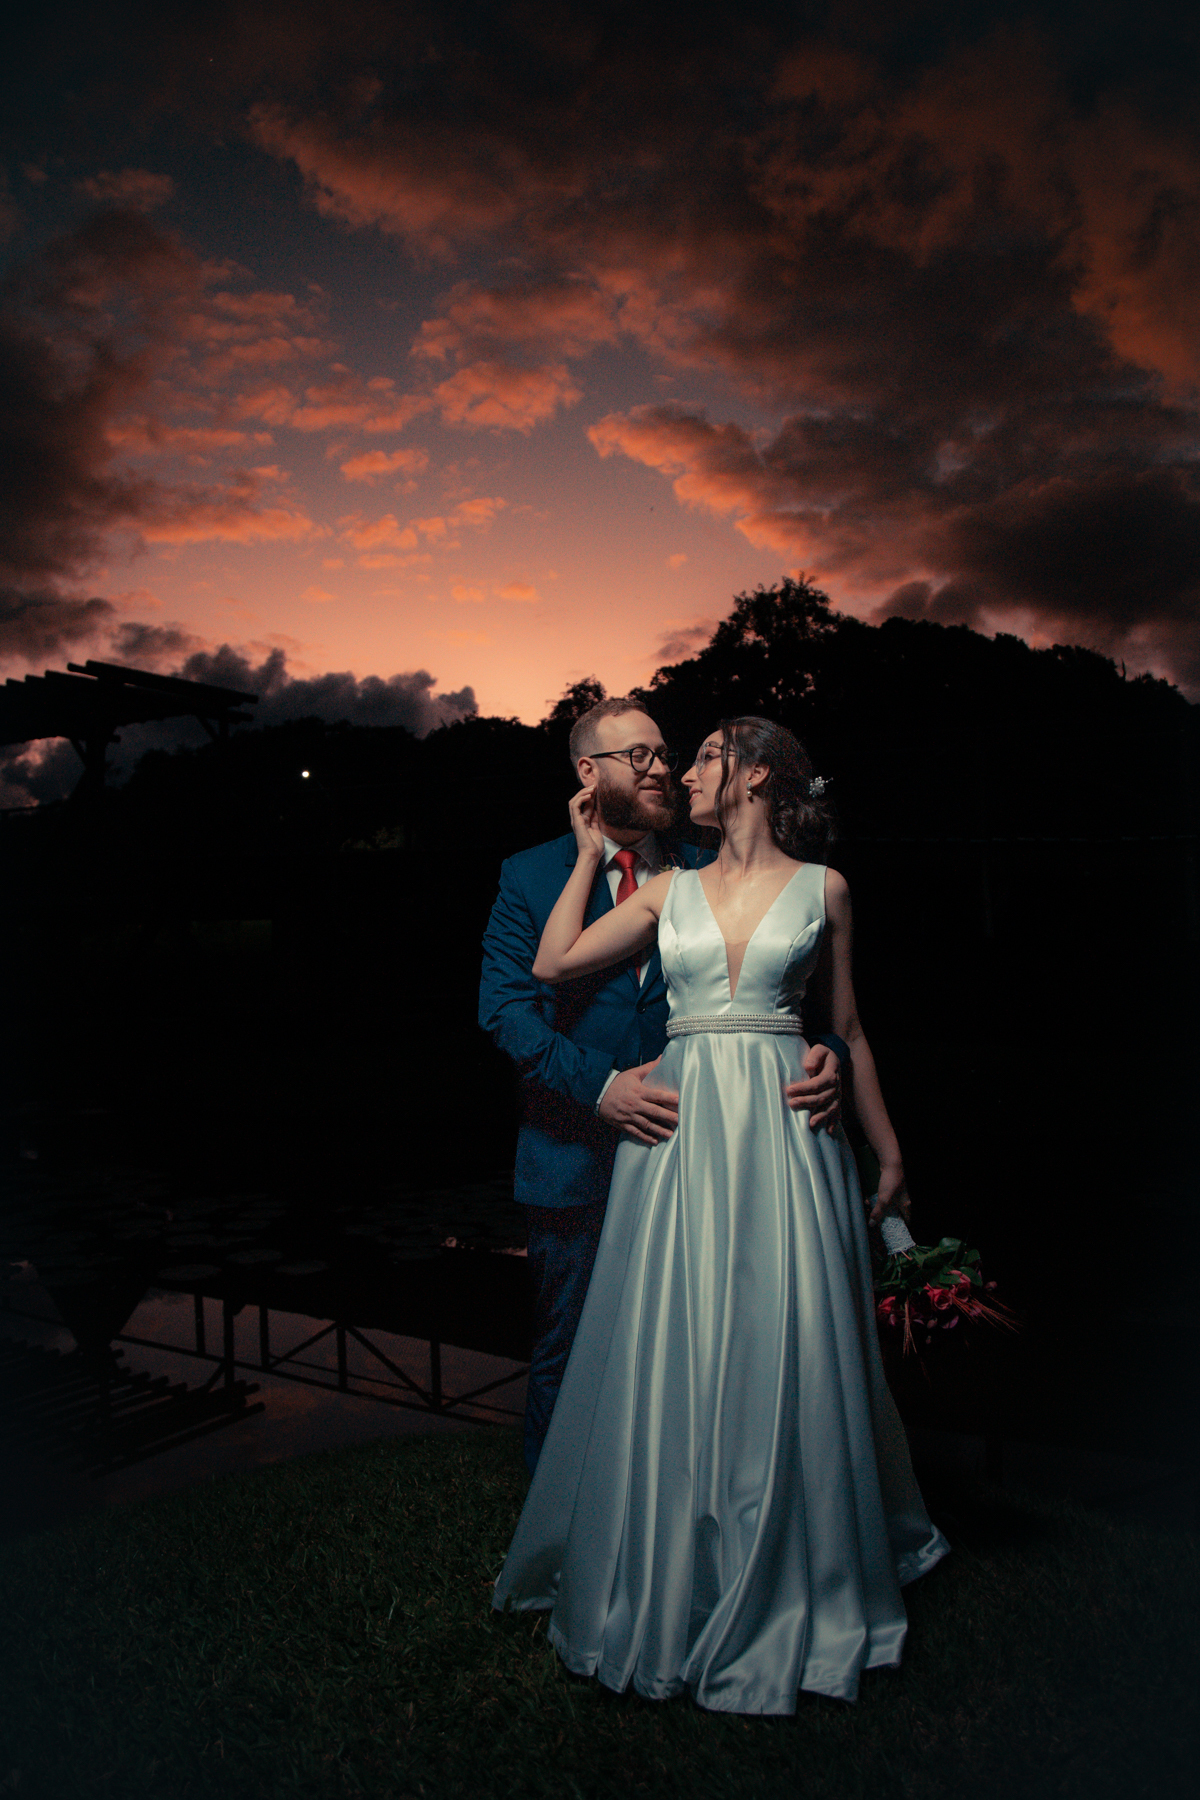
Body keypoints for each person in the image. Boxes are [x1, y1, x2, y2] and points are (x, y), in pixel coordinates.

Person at [492, 716, 949, 1712]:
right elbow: (548, 968)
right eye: (671, 755)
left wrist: (886, 1149)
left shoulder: (820, 887)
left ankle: (796, 1550)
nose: (679, 769)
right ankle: (667, 1546)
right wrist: (585, 854)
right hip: (679, 1131)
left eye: (700, 754)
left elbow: (848, 1025)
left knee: (786, 1330)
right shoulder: (667, 888)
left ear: (757, 776)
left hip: (785, 1132)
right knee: (670, 1334)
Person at [479, 699, 845, 1474]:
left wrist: (833, 1051)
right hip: (576, 1152)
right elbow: (506, 1013)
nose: (661, 770)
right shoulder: (530, 874)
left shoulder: (710, 860)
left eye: (663, 754)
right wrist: (602, 1088)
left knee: (699, 1343)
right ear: (588, 772)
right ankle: (562, 1518)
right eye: (637, 756)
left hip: (703, 1151)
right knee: (570, 1344)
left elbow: (791, 989)